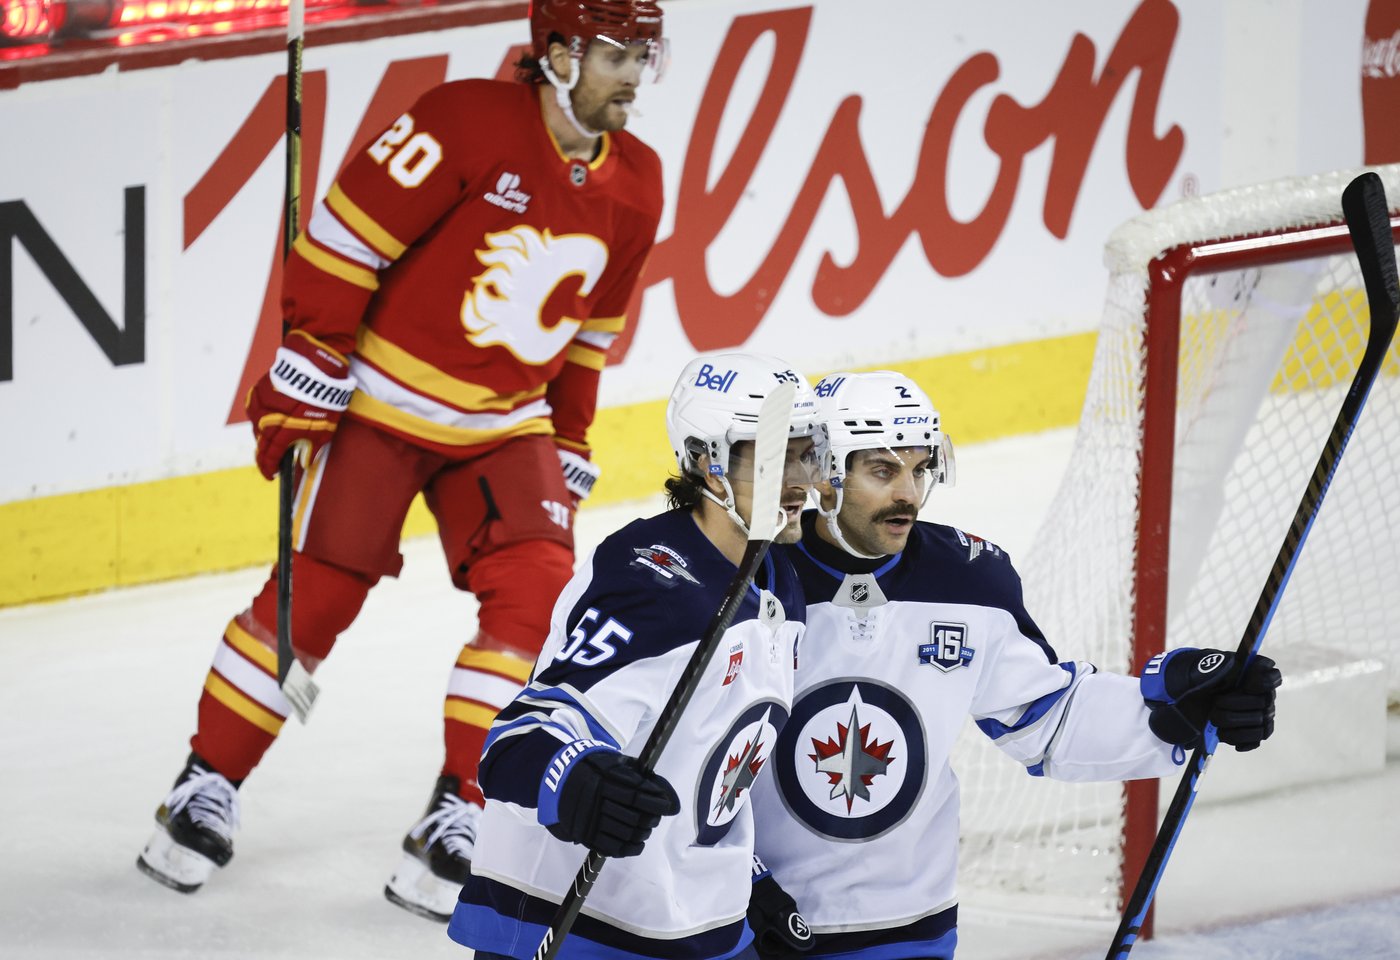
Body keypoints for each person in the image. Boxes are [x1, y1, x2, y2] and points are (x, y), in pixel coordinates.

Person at [136, 0, 669, 923]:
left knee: (536, 598)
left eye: (643, 55)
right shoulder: (461, 120)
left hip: (504, 428)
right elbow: (344, 246)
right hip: (378, 409)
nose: (633, 73)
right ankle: (204, 781)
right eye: (616, 53)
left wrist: (571, 437)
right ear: (557, 54)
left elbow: (588, 335)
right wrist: (312, 355)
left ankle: (464, 807)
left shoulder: (638, 182)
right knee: (318, 599)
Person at [746, 371, 1282, 960]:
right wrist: (743, 881)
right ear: (823, 471)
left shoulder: (966, 580)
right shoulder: (751, 581)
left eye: (921, 469)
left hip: (906, 924)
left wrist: (1174, 708)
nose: (909, 494)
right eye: (882, 470)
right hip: (754, 922)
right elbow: (692, 760)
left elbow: (1048, 720)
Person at [446, 353, 826, 960]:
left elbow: (707, 760)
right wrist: (575, 781)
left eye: (806, 453)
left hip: (691, 922)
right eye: (774, 457)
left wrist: (749, 882)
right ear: (708, 464)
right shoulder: (650, 584)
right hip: (575, 924)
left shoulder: (778, 581)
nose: (800, 480)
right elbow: (516, 744)